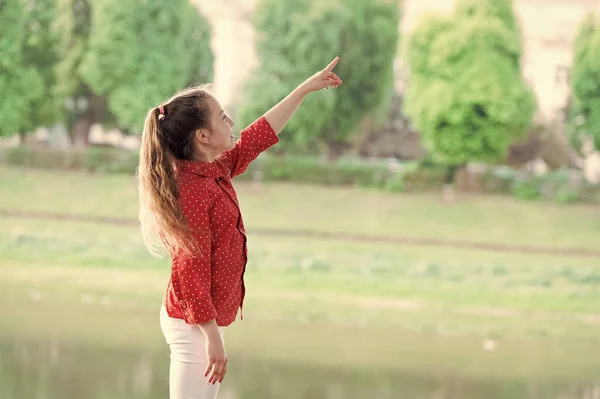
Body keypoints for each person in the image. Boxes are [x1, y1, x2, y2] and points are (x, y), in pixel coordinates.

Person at [137, 57, 343, 399]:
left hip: (204, 324)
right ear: (203, 136)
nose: (231, 122)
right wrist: (211, 336)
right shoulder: (191, 189)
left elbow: (258, 136)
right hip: (193, 325)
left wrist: (304, 89)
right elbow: (191, 267)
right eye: (222, 118)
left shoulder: (212, 169)